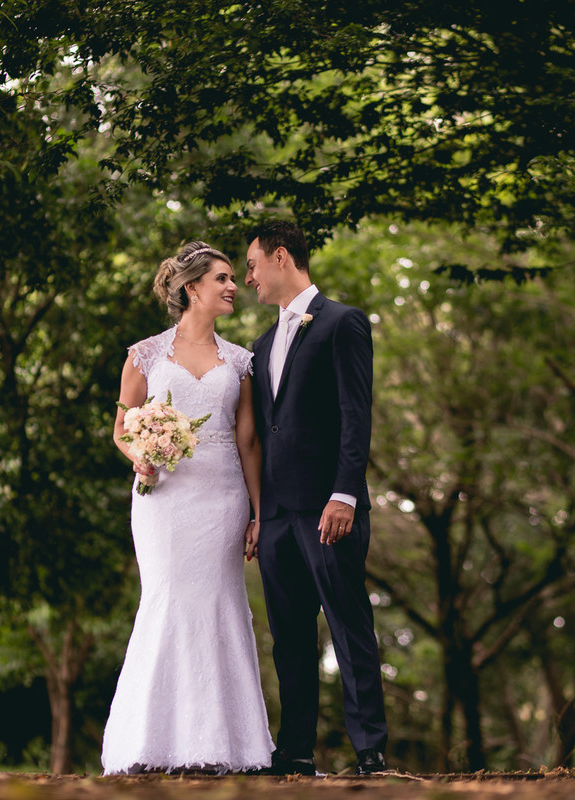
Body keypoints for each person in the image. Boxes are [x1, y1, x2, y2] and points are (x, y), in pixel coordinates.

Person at [100, 241, 274, 775]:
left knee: (219, 602)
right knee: (167, 597)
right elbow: (121, 427)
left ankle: (225, 745)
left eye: (234, 277)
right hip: (165, 499)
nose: (234, 286)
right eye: (222, 278)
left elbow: (248, 441)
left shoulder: (240, 362)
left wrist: (258, 513)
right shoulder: (145, 354)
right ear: (192, 288)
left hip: (223, 496)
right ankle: (149, 743)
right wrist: (140, 457)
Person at [244, 220, 389, 776]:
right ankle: (296, 750)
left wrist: (344, 494)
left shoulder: (342, 322)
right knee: (289, 637)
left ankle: (370, 750)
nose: (249, 278)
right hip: (277, 515)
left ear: (280, 257)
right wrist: (259, 514)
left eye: (252, 265)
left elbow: (356, 414)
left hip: (329, 507)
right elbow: (265, 433)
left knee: (349, 625)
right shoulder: (261, 345)